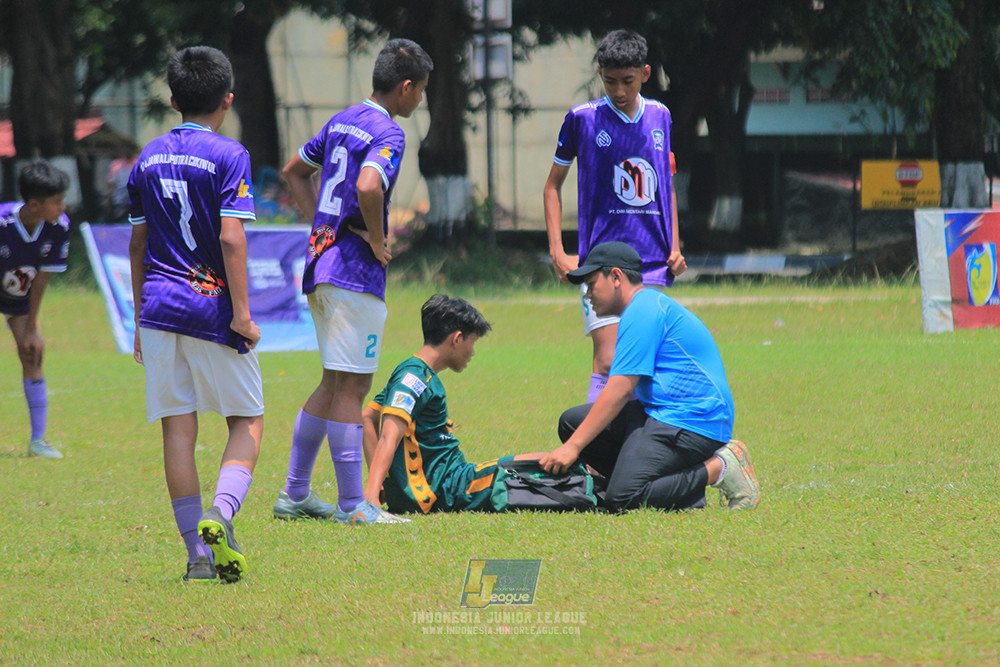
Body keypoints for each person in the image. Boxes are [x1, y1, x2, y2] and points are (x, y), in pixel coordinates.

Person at [274, 39, 433, 524]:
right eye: (421, 91)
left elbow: (293, 172)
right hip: (351, 272)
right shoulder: (389, 131)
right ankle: (353, 507)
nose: (420, 101)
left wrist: (320, 226)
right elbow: (368, 185)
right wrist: (376, 238)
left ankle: (295, 494)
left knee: (332, 382)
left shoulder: (342, 119)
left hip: (321, 265)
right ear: (405, 87)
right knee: (353, 389)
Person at [128, 46, 263, 583]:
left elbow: (138, 245)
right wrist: (244, 315)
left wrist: (140, 317)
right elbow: (232, 236)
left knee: (177, 433)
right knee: (246, 420)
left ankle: (196, 557)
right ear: (227, 99)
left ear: (174, 99)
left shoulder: (147, 157)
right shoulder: (231, 155)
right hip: (211, 308)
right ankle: (221, 513)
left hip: (159, 308)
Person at [539, 242, 760, 512]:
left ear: (616, 277)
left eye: (591, 282)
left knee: (622, 498)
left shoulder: (643, 310)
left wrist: (573, 448)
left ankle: (720, 467)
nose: (587, 294)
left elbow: (620, 389)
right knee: (572, 422)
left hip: (693, 420)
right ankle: (678, 493)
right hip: (662, 413)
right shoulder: (641, 307)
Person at [543, 29, 687, 404]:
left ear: (645, 73)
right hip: (602, 263)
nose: (619, 91)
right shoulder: (582, 119)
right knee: (608, 360)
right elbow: (551, 187)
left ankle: (642, 455)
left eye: (627, 81)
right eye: (609, 81)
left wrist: (675, 245)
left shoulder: (661, 115)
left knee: (645, 362)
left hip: (653, 264)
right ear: (600, 76)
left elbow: (664, 186)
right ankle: (595, 455)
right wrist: (558, 251)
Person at [362, 294, 546, 514]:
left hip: (448, 481)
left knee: (530, 464)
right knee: (526, 466)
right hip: (447, 487)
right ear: (457, 338)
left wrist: (386, 484)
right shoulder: (415, 379)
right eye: (473, 341)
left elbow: (367, 417)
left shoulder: (414, 372)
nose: (473, 352)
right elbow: (389, 436)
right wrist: (372, 493)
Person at [1, 160, 71, 459]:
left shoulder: (58, 228)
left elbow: (42, 276)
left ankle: (38, 440)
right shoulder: (3, 223)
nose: (62, 207)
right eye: (56, 202)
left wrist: (32, 328)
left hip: (18, 298)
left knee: (32, 351)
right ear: (33, 204)